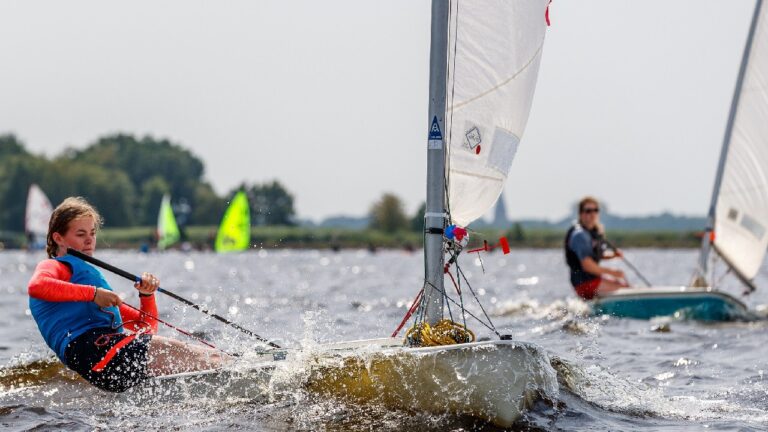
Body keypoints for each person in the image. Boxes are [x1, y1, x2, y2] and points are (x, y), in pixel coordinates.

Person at [28, 197, 225, 392]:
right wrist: (94, 293)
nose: (89, 240)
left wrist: (147, 296)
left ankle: (237, 365)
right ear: (58, 238)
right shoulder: (55, 266)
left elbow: (146, 328)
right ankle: (242, 369)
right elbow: (37, 286)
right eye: (80, 234)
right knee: (211, 359)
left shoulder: (87, 283)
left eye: (93, 233)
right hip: (97, 353)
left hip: (107, 363)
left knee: (209, 358)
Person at [564, 196, 628, 300]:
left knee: (618, 283)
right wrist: (613, 272)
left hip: (590, 281)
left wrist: (613, 256)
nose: (592, 213)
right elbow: (588, 266)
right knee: (625, 288)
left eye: (595, 210)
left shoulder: (592, 233)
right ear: (581, 214)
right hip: (586, 283)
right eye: (588, 211)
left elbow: (593, 255)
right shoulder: (580, 235)